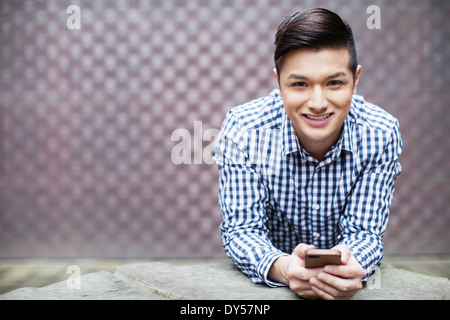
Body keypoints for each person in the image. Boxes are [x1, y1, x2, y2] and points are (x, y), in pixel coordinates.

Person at [212, 8, 402, 300]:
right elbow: (242, 230)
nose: (317, 103)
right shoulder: (244, 130)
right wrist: (285, 268)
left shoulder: (380, 133)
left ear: (356, 79)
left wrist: (354, 267)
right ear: (278, 82)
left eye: (334, 83)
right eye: (299, 84)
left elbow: (365, 234)